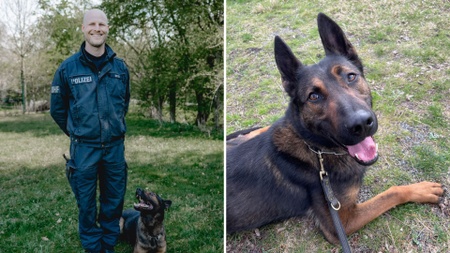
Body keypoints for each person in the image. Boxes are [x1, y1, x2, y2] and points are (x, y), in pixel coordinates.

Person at [50, 9, 130, 253]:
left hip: (114, 148)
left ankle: (108, 242)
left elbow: (123, 103)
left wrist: (111, 128)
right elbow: (58, 110)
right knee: (86, 203)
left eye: (102, 24)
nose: (97, 28)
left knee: (113, 201)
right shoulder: (68, 69)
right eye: (92, 24)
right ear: (84, 29)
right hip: (84, 148)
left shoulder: (120, 68)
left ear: (107, 28)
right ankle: (93, 246)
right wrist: (78, 131)